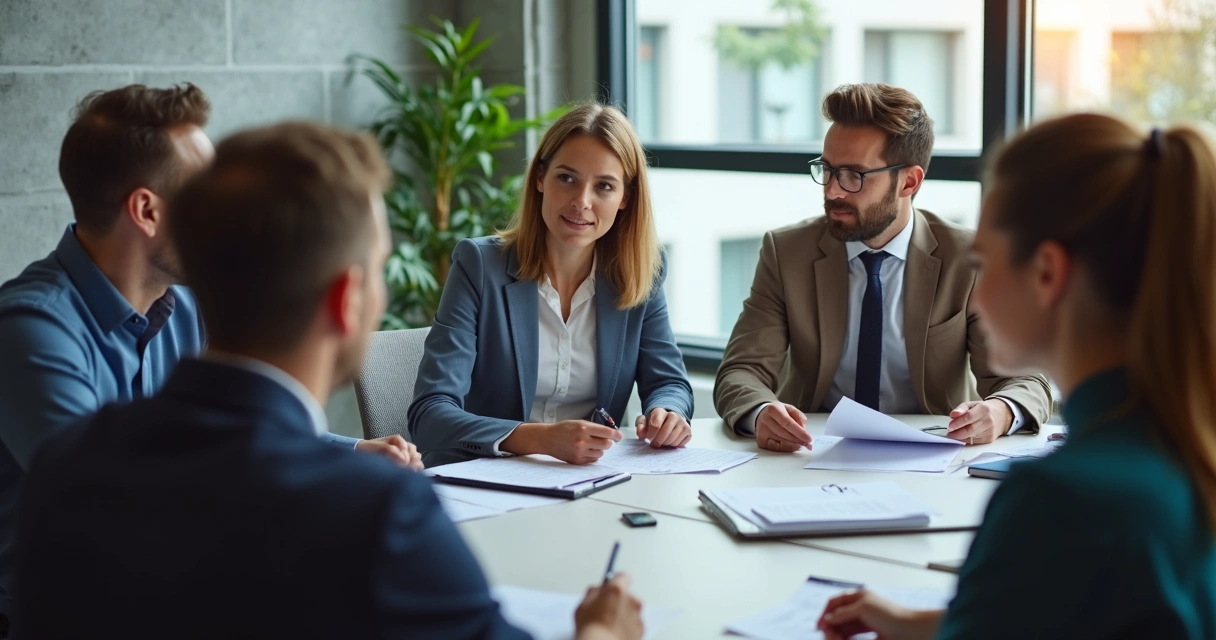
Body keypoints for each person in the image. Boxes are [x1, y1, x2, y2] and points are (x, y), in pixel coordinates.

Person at [11, 121, 644, 639]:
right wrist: (601, 633)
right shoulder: (377, 517)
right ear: (348, 298)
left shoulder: (66, 467)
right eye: (380, 269)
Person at [818, 114, 1216, 639]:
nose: (976, 294)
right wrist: (914, 623)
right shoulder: (1181, 447)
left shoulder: (1060, 501)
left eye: (983, 262)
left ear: (1047, 273)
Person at [713, 83, 1052, 453]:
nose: (832, 191)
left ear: (909, 181)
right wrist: (762, 412)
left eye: (854, 175)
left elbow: (1027, 378)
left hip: (932, 454)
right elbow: (740, 372)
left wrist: (1000, 412)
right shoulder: (786, 252)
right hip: (813, 452)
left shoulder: (966, 259)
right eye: (826, 170)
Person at [409, 103, 694, 467]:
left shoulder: (641, 273)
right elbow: (429, 416)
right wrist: (540, 439)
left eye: (604, 186)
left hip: (588, 483)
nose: (582, 201)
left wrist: (667, 413)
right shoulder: (479, 266)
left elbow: (669, 382)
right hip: (483, 482)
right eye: (567, 178)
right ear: (540, 178)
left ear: (625, 199)